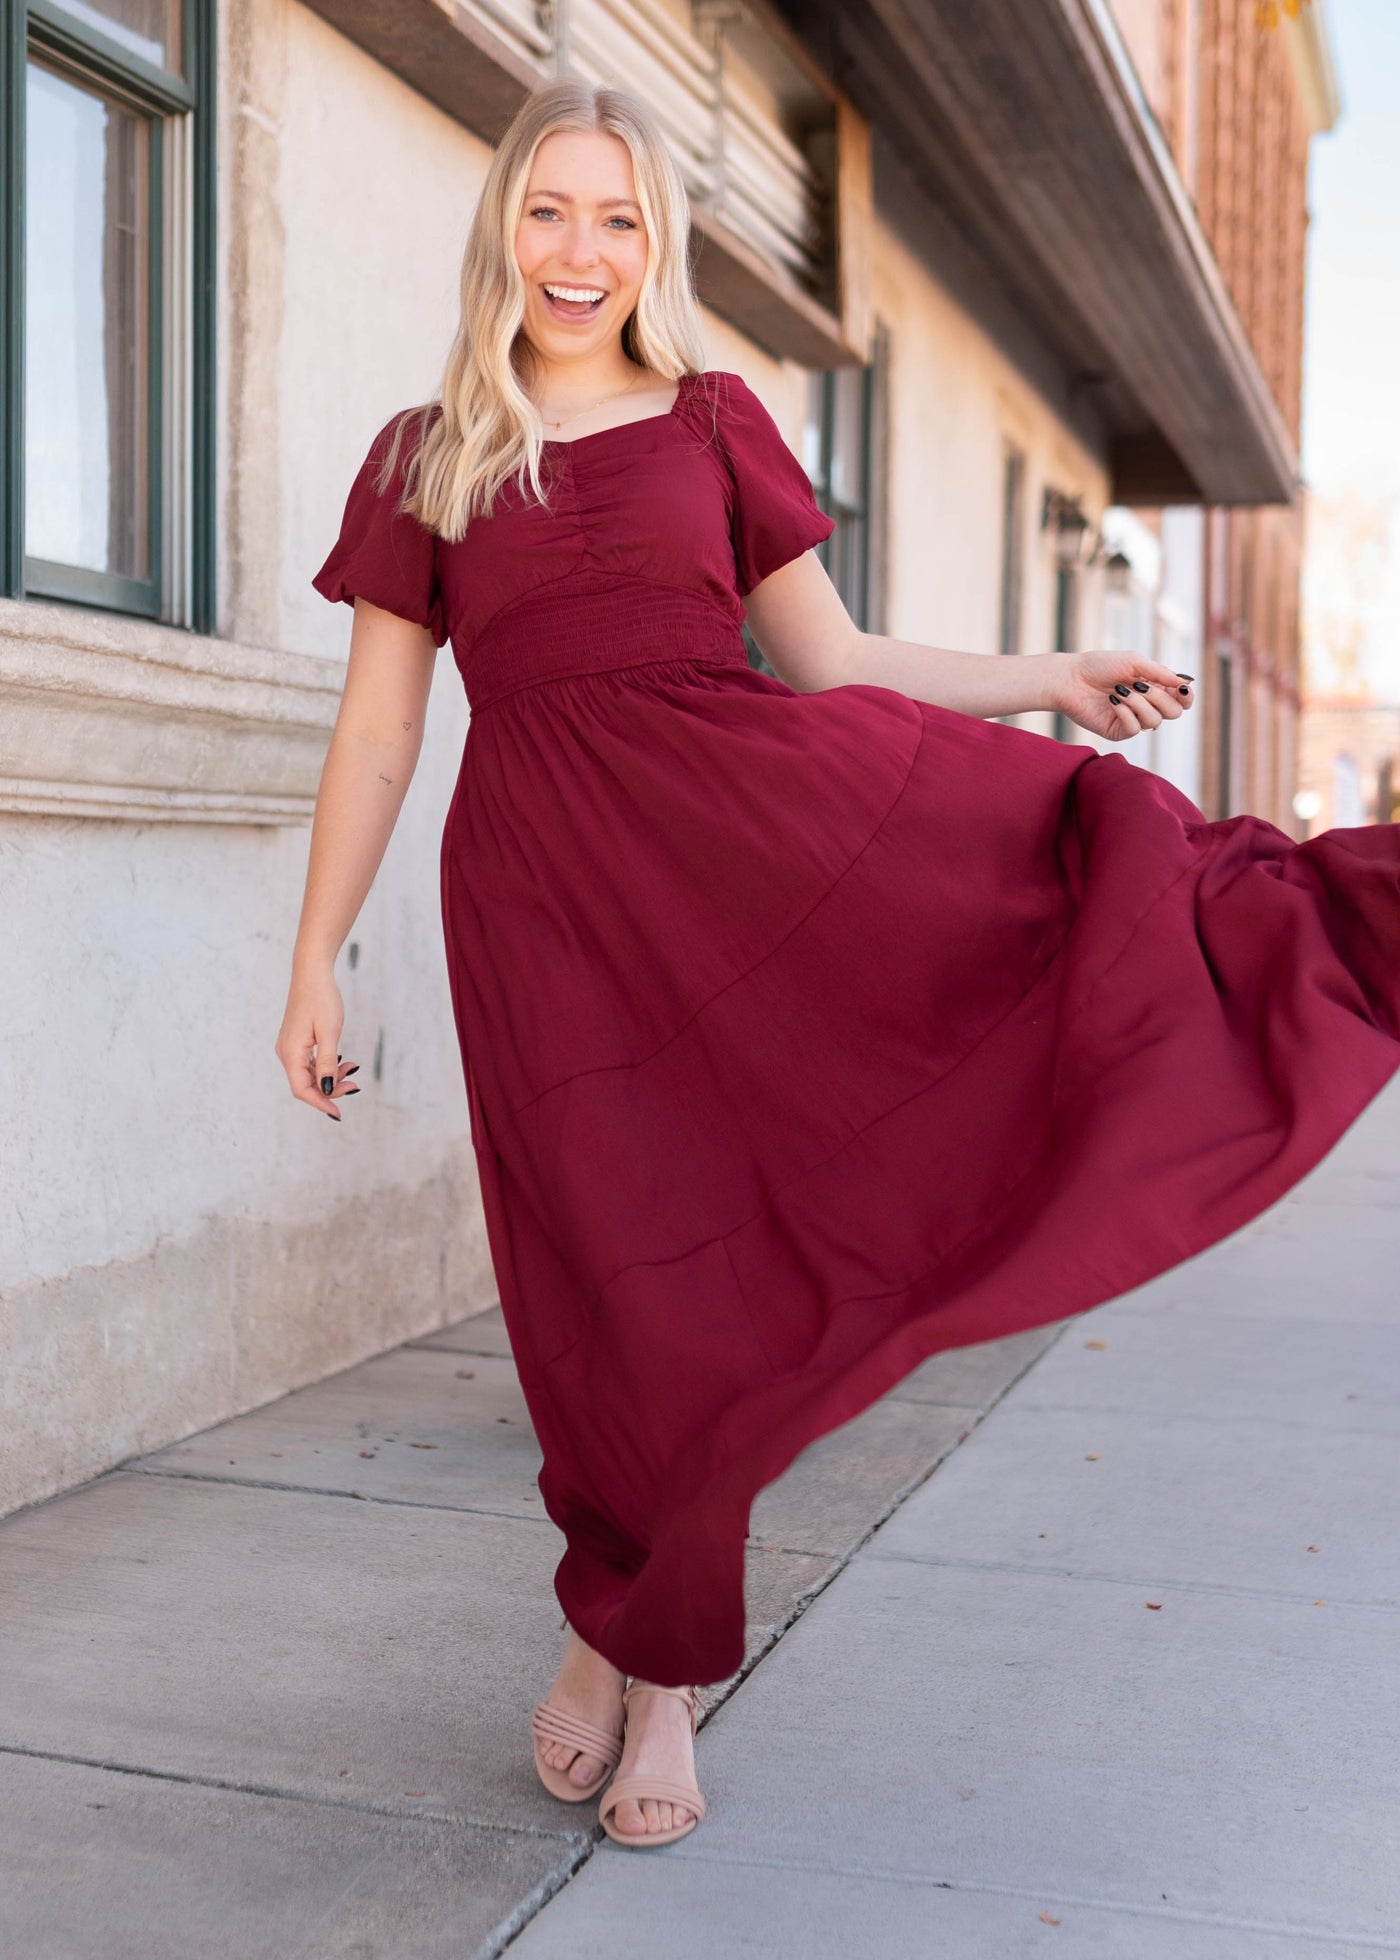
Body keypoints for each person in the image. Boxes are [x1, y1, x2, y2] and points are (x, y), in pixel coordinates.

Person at [279, 78, 1400, 1850]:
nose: (583, 252)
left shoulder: (714, 420)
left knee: (728, 1294)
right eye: (553, 212)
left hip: (744, 871)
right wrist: (316, 954)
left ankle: (659, 1680)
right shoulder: (428, 451)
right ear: (505, 227)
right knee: (601, 1292)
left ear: (659, 242)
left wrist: (1046, 677)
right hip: (541, 916)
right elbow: (375, 734)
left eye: (621, 218)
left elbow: (837, 658)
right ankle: (619, 1616)